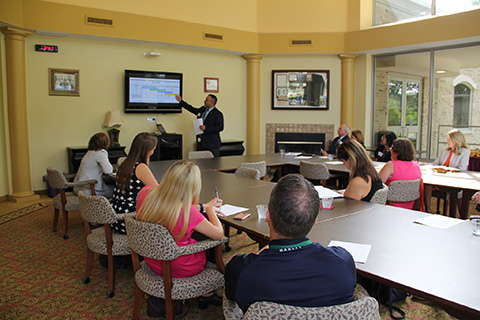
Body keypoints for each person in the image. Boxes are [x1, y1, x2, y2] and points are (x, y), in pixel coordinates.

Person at [225, 174, 356, 313]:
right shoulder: (343, 262)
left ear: (268, 215)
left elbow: (232, 296)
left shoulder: (241, 271)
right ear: (315, 220)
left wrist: (260, 254)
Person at [136, 160, 224, 316]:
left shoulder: (146, 193)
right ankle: (207, 294)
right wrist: (210, 210)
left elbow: (172, 206)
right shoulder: (186, 210)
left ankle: (204, 295)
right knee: (208, 241)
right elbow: (218, 234)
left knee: (197, 234)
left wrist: (201, 207)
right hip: (180, 266)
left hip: (153, 259)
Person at [110, 132, 158, 234]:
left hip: (116, 218)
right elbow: (159, 191)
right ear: (147, 150)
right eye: (153, 149)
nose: (153, 151)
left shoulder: (125, 163)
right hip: (131, 220)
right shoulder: (140, 167)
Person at [424, 129, 471, 213]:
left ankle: (460, 215)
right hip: (439, 180)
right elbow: (436, 163)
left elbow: (462, 168)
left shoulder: (465, 152)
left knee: (457, 194)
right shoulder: (445, 151)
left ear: (455, 140)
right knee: (427, 184)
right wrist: (426, 166)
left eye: (449, 139)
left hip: (455, 181)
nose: (447, 141)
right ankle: (428, 210)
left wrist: (447, 170)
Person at [379, 138, 422, 209]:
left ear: (396, 152)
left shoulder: (390, 166)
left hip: (387, 207)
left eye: (392, 148)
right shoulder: (416, 166)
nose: (390, 150)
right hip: (409, 209)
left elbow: (377, 184)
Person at [73, 132, 114, 198]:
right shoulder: (100, 153)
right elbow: (108, 171)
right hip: (89, 190)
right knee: (116, 190)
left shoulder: (89, 153)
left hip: (78, 188)